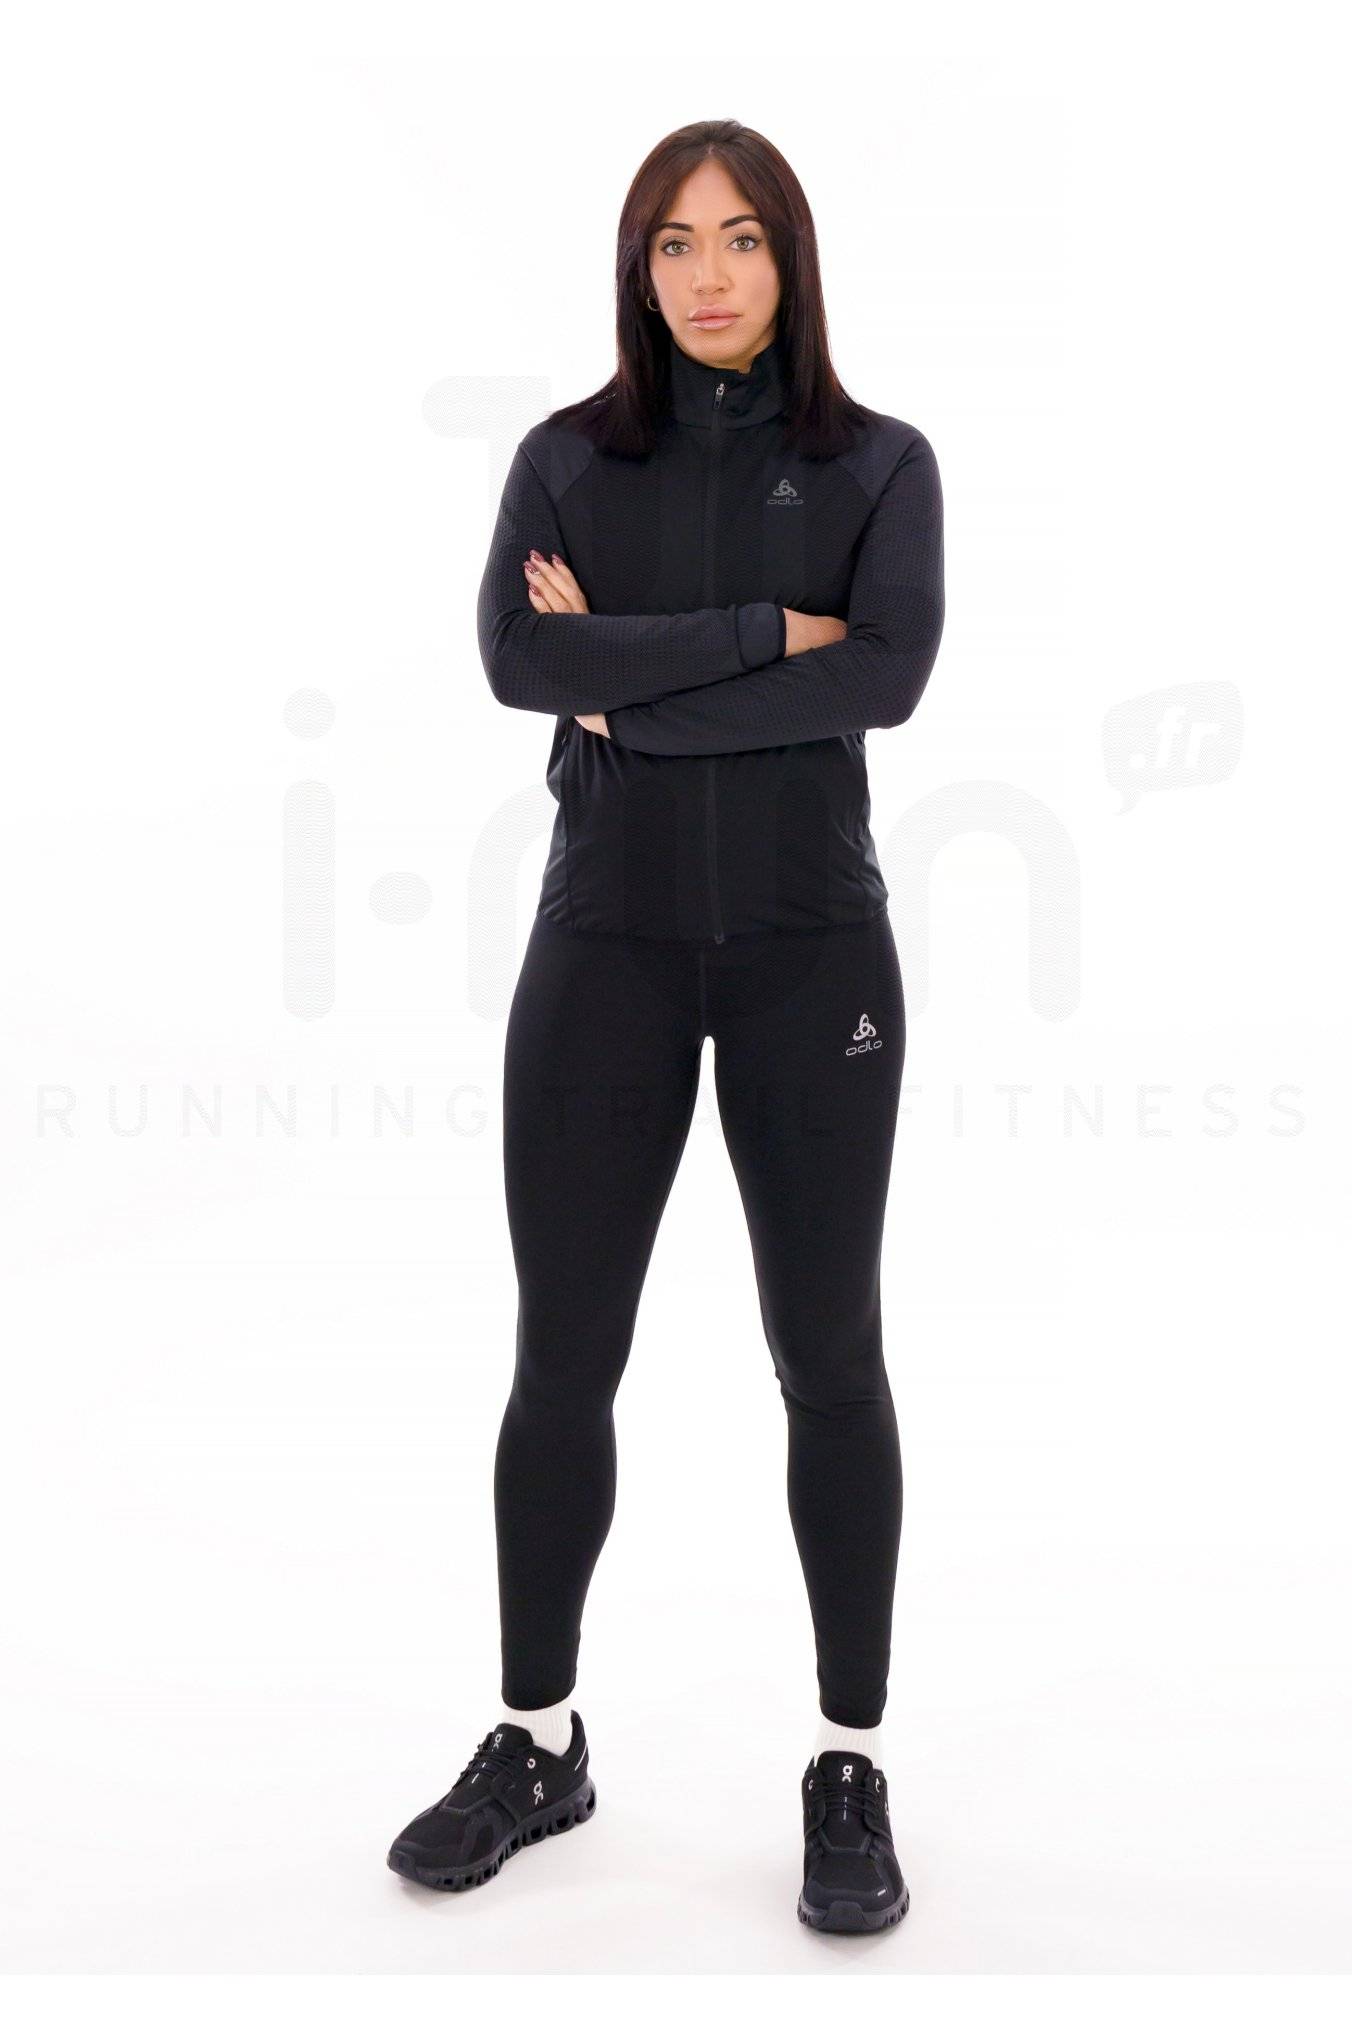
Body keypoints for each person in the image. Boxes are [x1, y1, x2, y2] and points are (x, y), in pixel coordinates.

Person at [387, 118, 944, 1934]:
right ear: (638, 267)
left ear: (793, 257)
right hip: (604, 955)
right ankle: (537, 1740)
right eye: (677, 243)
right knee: (562, 1358)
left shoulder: (880, 463)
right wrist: (770, 635)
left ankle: (848, 1759)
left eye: (744, 238)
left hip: (813, 961)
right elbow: (517, 663)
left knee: (829, 1354)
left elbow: (890, 675)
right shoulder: (565, 460)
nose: (710, 274)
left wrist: (631, 681)